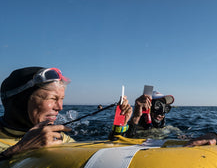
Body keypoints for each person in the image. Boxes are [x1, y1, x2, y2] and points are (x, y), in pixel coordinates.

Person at [0, 66, 133, 160]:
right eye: (52, 98)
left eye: (62, 99)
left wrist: (120, 123)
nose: (60, 107)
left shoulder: (54, 136)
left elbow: (101, 156)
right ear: (18, 102)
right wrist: (18, 150)